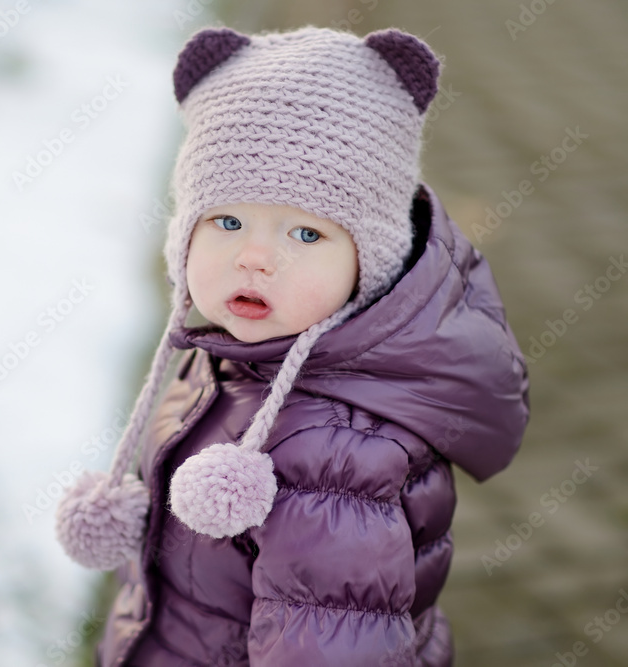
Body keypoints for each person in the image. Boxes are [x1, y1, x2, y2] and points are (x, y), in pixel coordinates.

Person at [55, 24, 530, 666]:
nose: (254, 258)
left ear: (370, 264)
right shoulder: (232, 355)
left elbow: (332, 643)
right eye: (227, 221)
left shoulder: (337, 452)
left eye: (305, 234)